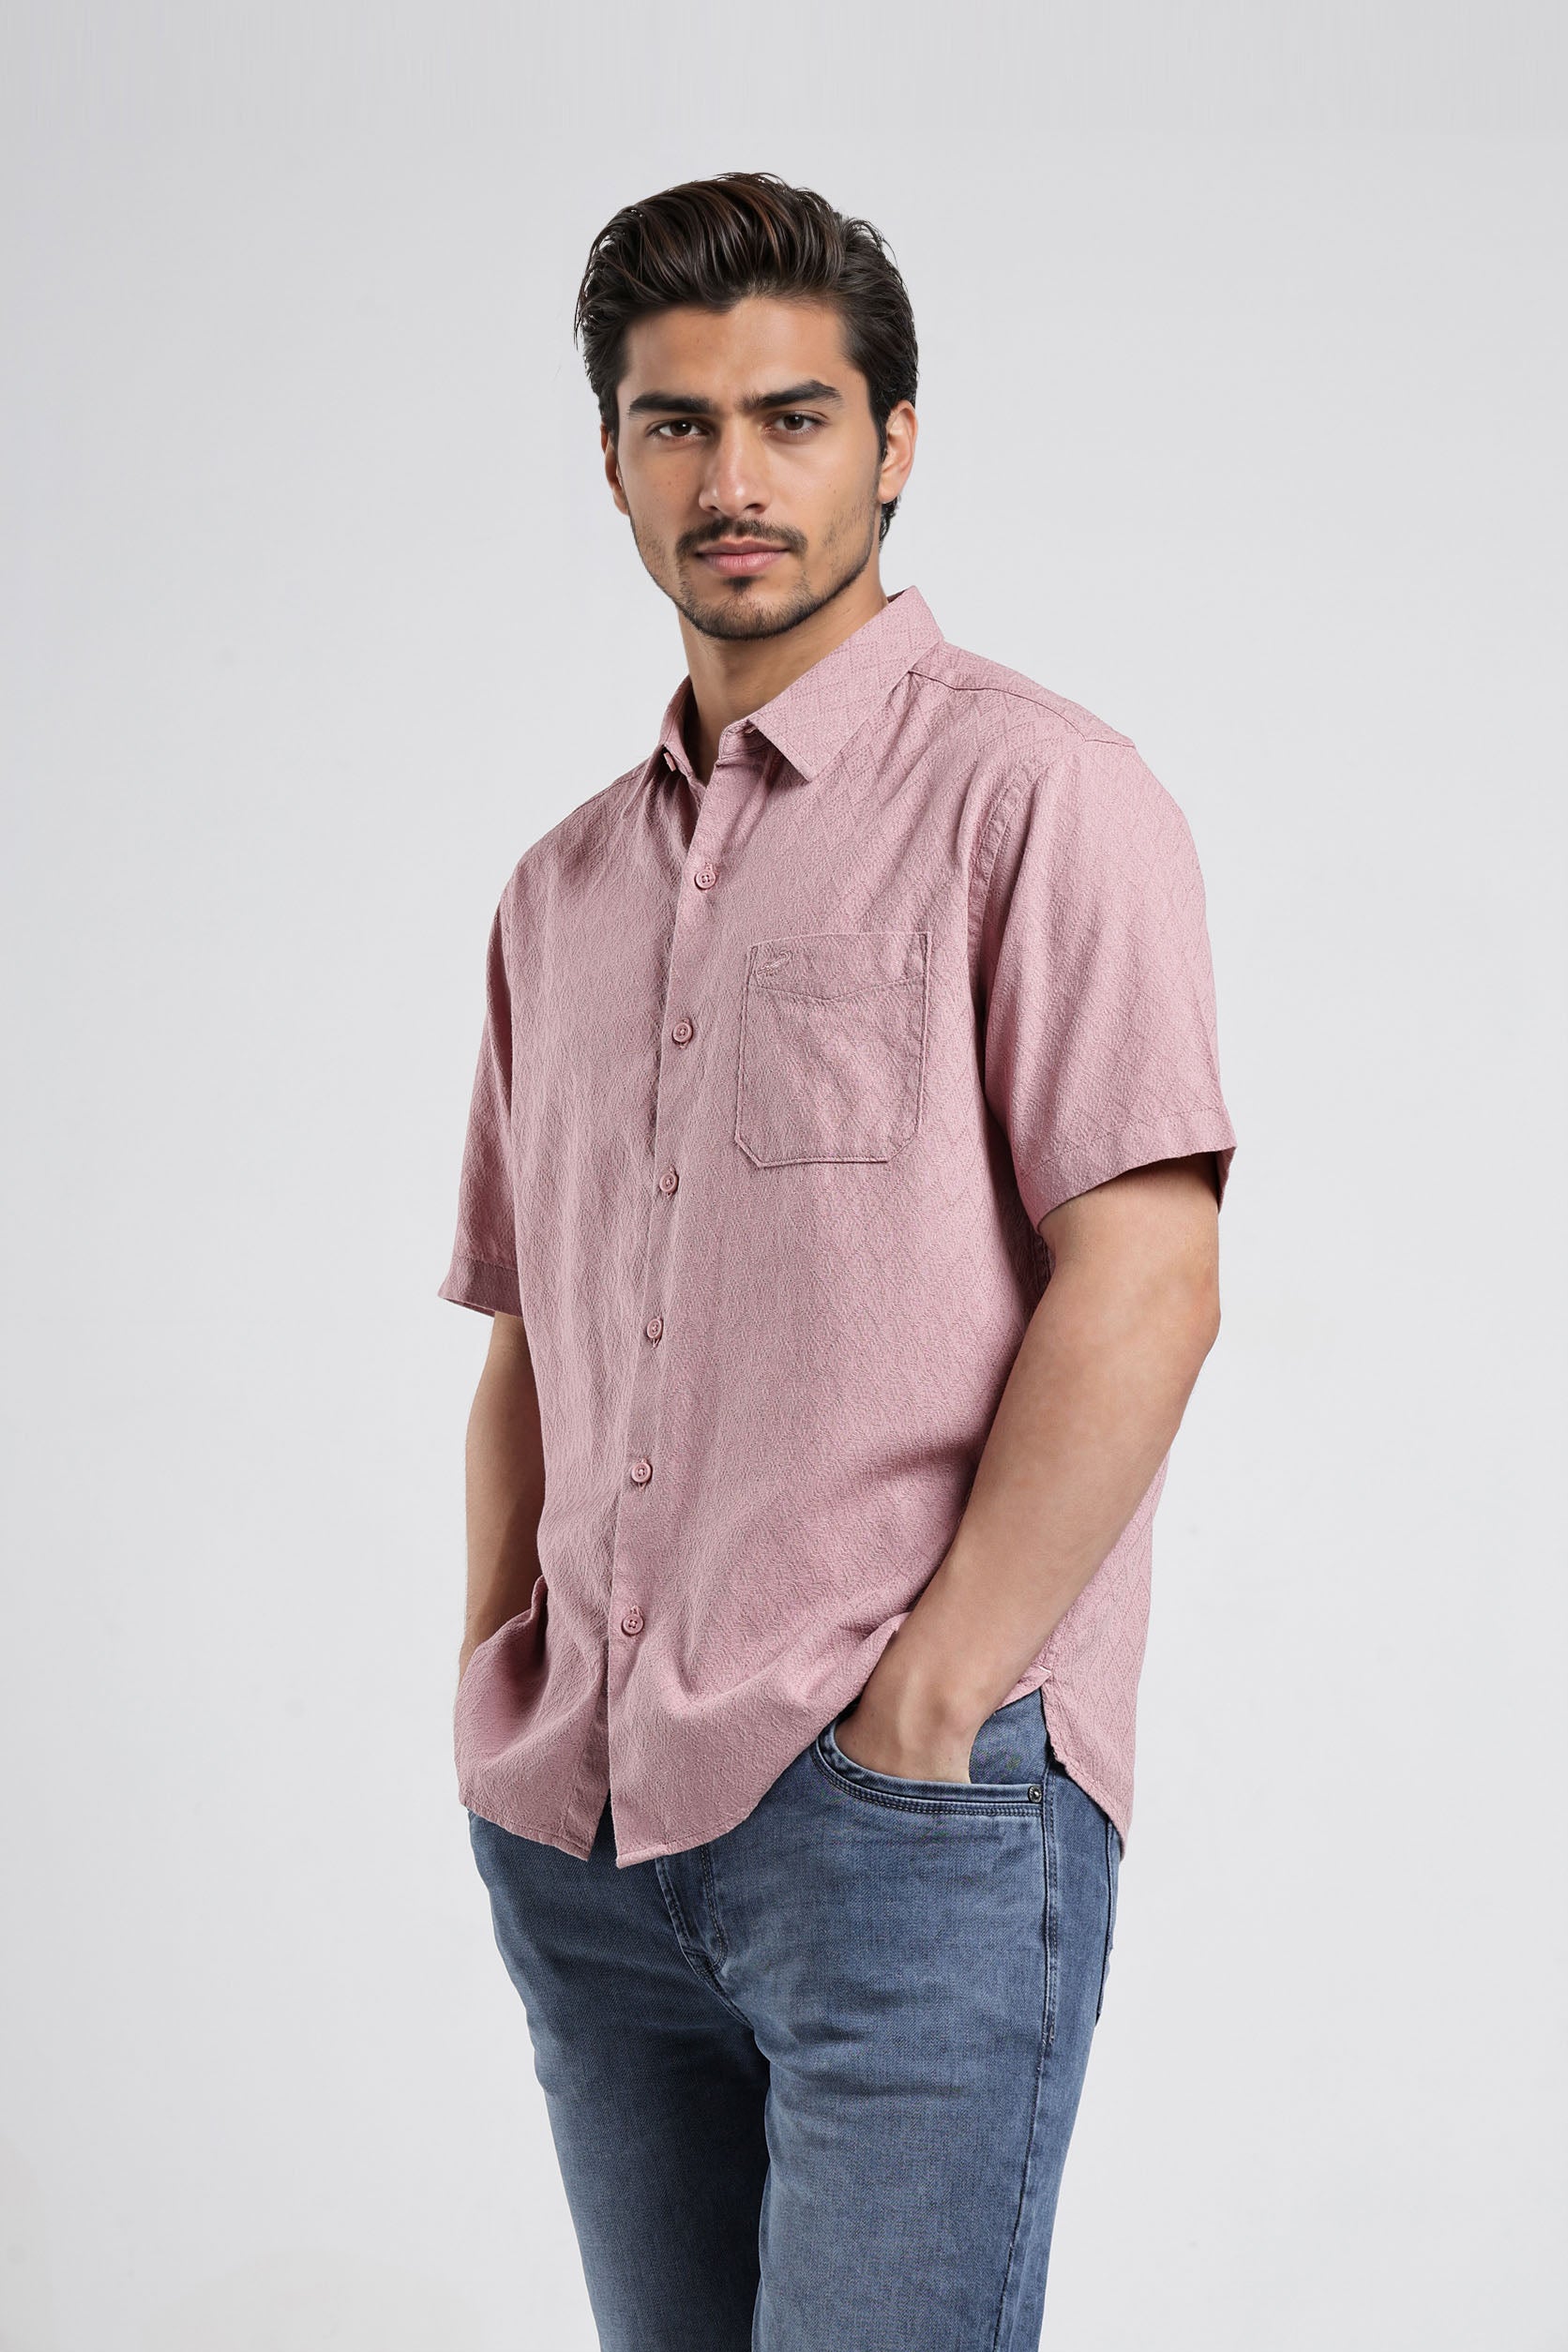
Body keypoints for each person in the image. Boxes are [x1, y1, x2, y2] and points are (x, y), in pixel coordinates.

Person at [437, 169, 1238, 2352]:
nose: (732, 478)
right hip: (585, 1828)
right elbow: (531, 1323)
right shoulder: (556, 892)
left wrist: (933, 1702)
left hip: (902, 1824)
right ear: (608, 459)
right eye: (675, 423)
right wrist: (500, 1682)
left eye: (792, 419)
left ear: (893, 443)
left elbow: (1145, 1277)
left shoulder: (1038, 802)